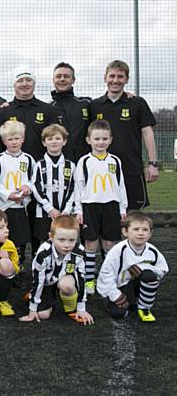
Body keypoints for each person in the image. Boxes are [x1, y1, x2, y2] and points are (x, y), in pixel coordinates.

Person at [89, 60, 159, 210]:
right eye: (112, 76)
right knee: (105, 213)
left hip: (131, 168)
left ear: (126, 79)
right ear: (105, 78)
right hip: (101, 170)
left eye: (120, 76)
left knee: (133, 214)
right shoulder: (94, 105)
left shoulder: (137, 103)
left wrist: (153, 164)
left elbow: (147, 133)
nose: (115, 80)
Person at [75, 120, 127, 295]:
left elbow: (120, 186)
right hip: (90, 206)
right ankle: (89, 279)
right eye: (97, 138)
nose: (101, 142)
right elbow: (79, 187)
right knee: (90, 243)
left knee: (109, 243)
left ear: (110, 139)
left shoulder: (115, 161)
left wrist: (122, 208)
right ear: (88, 140)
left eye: (104, 138)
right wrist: (79, 210)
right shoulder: (83, 162)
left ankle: (107, 278)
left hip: (111, 206)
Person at [19, 215, 94, 324]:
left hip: (65, 278)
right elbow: (38, 281)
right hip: (46, 282)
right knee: (42, 315)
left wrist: (81, 309)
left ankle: (70, 310)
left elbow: (81, 278)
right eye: (61, 240)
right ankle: (34, 296)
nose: (67, 245)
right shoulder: (43, 254)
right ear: (51, 237)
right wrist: (33, 309)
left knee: (67, 286)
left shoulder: (79, 251)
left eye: (72, 240)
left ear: (77, 238)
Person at [97, 212, 169, 322]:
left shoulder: (152, 251)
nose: (141, 233)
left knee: (149, 275)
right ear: (125, 232)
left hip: (138, 284)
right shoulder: (117, 251)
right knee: (118, 314)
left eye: (145, 230)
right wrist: (115, 295)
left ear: (150, 233)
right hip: (121, 287)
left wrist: (144, 267)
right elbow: (106, 274)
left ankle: (145, 308)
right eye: (136, 229)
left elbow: (163, 270)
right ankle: (128, 301)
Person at [0, 121, 36, 271]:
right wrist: (7, 195)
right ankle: (1, 270)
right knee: (1, 238)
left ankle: (18, 268)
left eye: (17, 138)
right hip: (2, 207)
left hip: (20, 206)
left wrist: (27, 188)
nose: (14, 142)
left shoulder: (28, 159)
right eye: (10, 139)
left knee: (19, 241)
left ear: (23, 139)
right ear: (4, 141)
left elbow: (33, 180)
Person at [0, 69, 60, 160]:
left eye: (28, 80)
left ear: (34, 84)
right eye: (20, 81)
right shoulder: (4, 111)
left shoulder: (48, 109)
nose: (24, 84)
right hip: (11, 168)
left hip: (40, 165)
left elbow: (56, 138)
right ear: (14, 85)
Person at [31, 124, 76, 248]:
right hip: (44, 213)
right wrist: (49, 208)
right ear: (44, 143)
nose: (54, 142)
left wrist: (66, 210)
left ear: (64, 141)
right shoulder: (39, 165)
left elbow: (74, 189)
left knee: (64, 242)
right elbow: (36, 187)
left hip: (65, 213)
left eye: (57, 138)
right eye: (50, 139)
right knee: (46, 243)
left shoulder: (70, 166)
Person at [50, 62, 91, 162]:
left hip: (85, 163)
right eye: (58, 76)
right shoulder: (48, 108)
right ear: (53, 80)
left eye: (66, 76)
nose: (62, 79)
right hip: (60, 165)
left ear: (73, 80)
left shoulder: (86, 104)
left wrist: (125, 97)